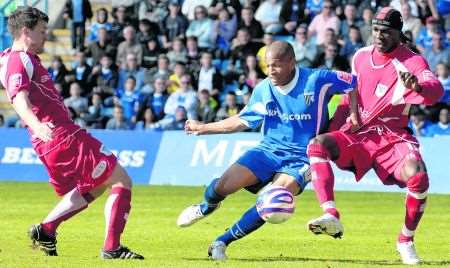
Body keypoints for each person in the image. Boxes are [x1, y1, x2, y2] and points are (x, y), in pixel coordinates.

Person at [177, 41, 358, 260]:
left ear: (291, 63)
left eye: (276, 65)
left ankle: (221, 242)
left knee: (274, 202)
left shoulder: (317, 79)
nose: (270, 71)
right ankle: (207, 206)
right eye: (267, 65)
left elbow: (354, 83)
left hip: (302, 157)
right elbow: (243, 121)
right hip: (268, 150)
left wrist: (354, 114)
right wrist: (203, 128)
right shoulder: (264, 89)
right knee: (224, 186)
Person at [0, 7, 143, 259]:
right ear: (25, 31)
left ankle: (46, 230)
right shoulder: (17, 59)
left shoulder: (12, 57)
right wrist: (36, 124)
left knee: (96, 186)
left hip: (53, 139)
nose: (46, 36)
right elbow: (18, 98)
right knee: (121, 180)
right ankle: (111, 248)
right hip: (60, 136)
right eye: (42, 31)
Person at [306, 7, 443, 265]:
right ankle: (331, 215)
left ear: (398, 33)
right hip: (358, 133)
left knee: (419, 175)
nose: (379, 35)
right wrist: (342, 122)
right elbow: (351, 94)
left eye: (386, 31)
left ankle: (406, 240)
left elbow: (434, 90)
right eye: (376, 30)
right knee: (317, 146)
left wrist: (418, 85)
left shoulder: (412, 61)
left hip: (392, 136)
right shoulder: (360, 56)